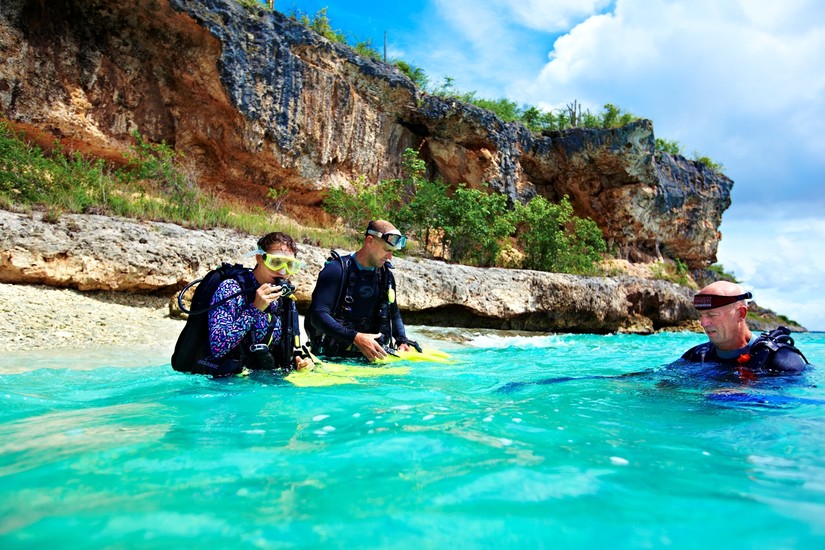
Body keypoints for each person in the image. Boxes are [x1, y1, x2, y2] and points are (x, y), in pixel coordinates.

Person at [205, 232, 312, 375]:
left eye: (290, 265)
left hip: (267, 385)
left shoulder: (285, 297)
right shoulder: (231, 289)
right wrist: (255, 308)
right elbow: (218, 347)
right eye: (275, 262)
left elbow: (284, 348)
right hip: (228, 384)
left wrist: (299, 362)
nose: (282, 271)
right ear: (259, 258)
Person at [306, 220, 414, 361]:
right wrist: (356, 338)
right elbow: (318, 315)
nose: (390, 257)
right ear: (369, 241)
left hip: (372, 359)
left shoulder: (386, 275)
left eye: (392, 252)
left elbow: (393, 312)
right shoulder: (336, 270)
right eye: (387, 250)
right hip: (332, 358)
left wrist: (402, 340)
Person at [680, 281, 808, 378]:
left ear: (741, 314)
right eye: (701, 315)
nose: (703, 323)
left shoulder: (782, 361)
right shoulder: (696, 356)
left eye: (712, 315)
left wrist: (738, 397)